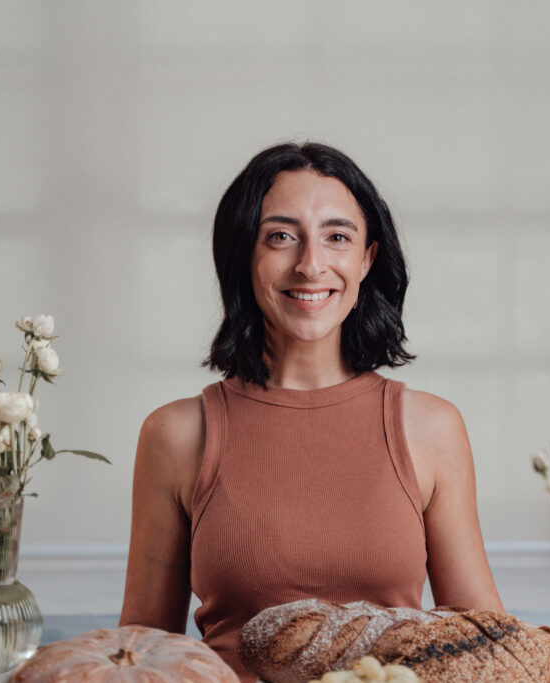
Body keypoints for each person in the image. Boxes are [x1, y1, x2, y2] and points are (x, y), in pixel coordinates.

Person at [120, 142, 503, 681]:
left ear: (366, 258)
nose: (310, 265)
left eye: (337, 237)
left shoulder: (432, 427)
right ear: (243, 256)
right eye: (280, 237)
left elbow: (487, 638)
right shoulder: (177, 434)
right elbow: (138, 654)